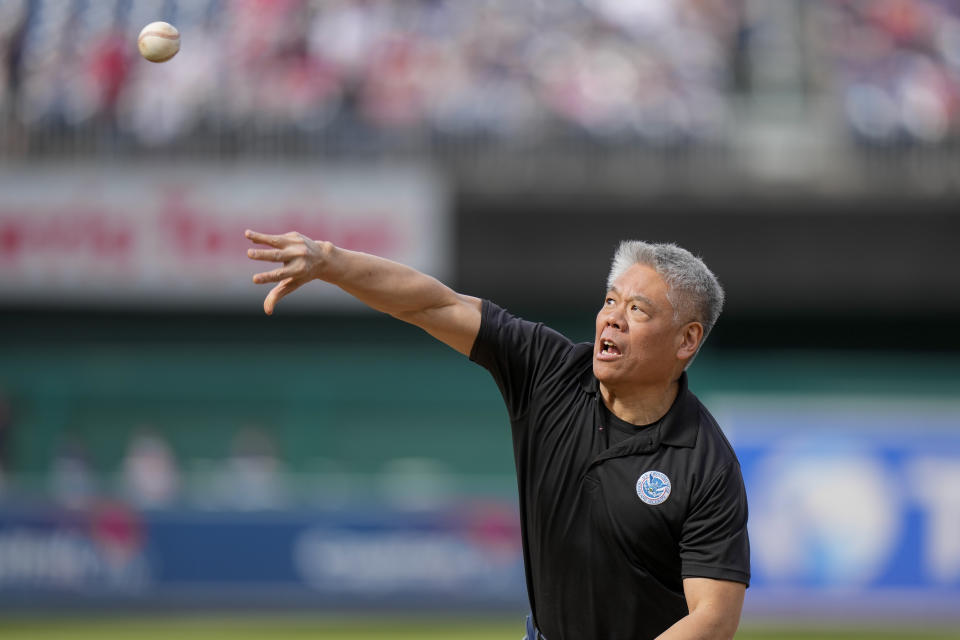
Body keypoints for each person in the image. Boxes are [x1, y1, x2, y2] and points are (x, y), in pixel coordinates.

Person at [245, 229, 749, 640]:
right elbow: (431, 305)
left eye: (637, 310)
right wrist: (329, 261)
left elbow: (714, 619)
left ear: (687, 340)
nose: (611, 318)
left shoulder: (707, 462)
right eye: (610, 300)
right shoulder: (548, 371)